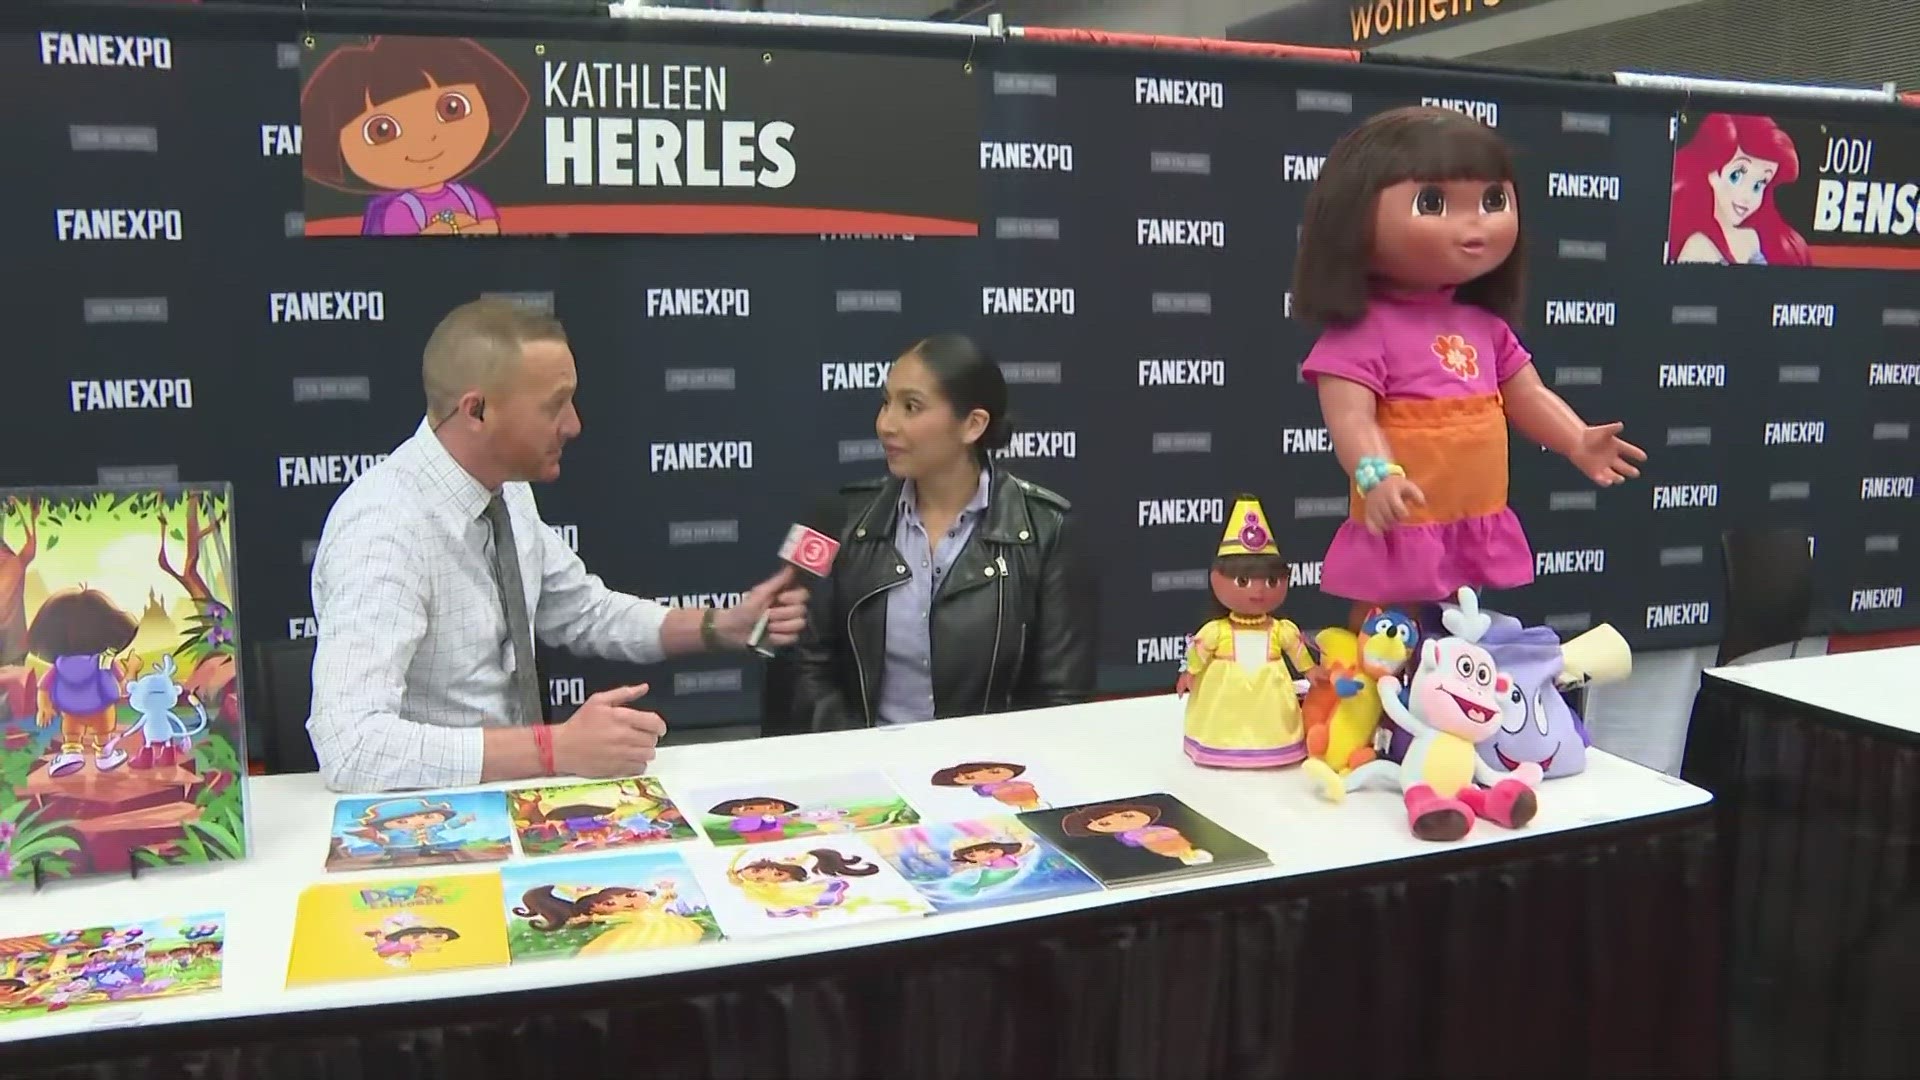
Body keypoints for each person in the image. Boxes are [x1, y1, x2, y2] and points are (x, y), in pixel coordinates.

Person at [307, 299, 809, 792]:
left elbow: (585, 611)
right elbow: (351, 746)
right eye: (554, 405)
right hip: (432, 821)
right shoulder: (383, 528)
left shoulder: (508, 494)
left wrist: (720, 626)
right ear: (477, 411)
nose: (574, 424)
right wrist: (554, 750)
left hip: (517, 798)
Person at [1291, 105, 1646, 630]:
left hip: (1469, 513)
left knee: (1460, 623)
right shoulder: (1363, 332)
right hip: (1403, 514)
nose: (1475, 222)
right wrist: (1378, 478)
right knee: (1385, 629)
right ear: (1354, 216)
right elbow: (1352, 422)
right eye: (1434, 202)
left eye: (1492, 200)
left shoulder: (1484, 325)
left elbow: (1527, 393)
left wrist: (1575, 438)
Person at [789, 333, 1096, 730]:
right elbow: (803, 667)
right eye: (886, 403)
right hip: (866, 776)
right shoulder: (835, 519)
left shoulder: (1050, 532)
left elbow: (1062, 699)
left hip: (992, 776)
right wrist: (859, 759)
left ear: (972, 425)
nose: (886, 424)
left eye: (911, 407)